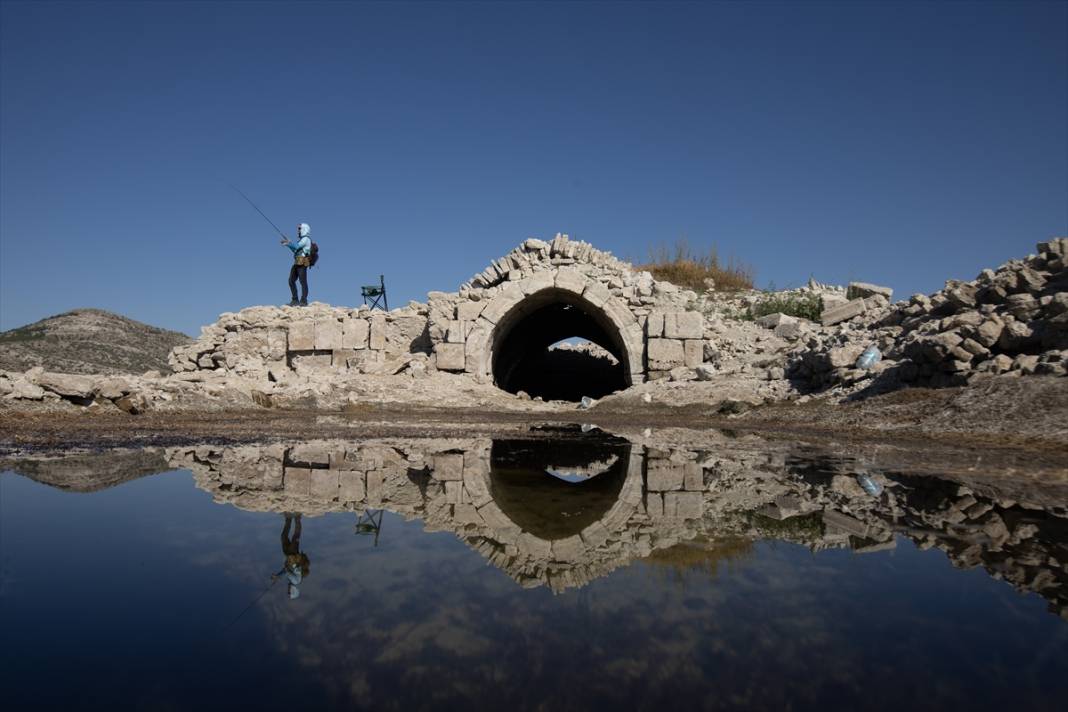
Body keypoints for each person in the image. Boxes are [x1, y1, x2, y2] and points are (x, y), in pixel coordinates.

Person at [272, 513, 311, 600]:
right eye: (290, 592)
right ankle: (297, 518)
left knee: (284, 537)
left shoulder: (293, 581)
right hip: (293, 555)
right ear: (294, 591)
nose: (288, 590)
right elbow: (287, 572)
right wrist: (278, 576)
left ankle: (289, 518)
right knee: (295, 536)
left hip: (289, 556)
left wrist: (278, 576)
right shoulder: (296, 581)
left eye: (288, 592)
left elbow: (286, 570)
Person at [281, 223, 312, 306]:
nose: (298, 231)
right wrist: (288, 244)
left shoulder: (306, 239)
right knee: (291, 280)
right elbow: (295, 250)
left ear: (304, 229)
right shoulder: (302, 240)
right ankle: (295, 300)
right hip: (297, 262)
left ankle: (304, 301)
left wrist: (288, 243)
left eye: (299, 228)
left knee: (303, 282)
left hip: (302, 262)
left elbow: (296, 247)